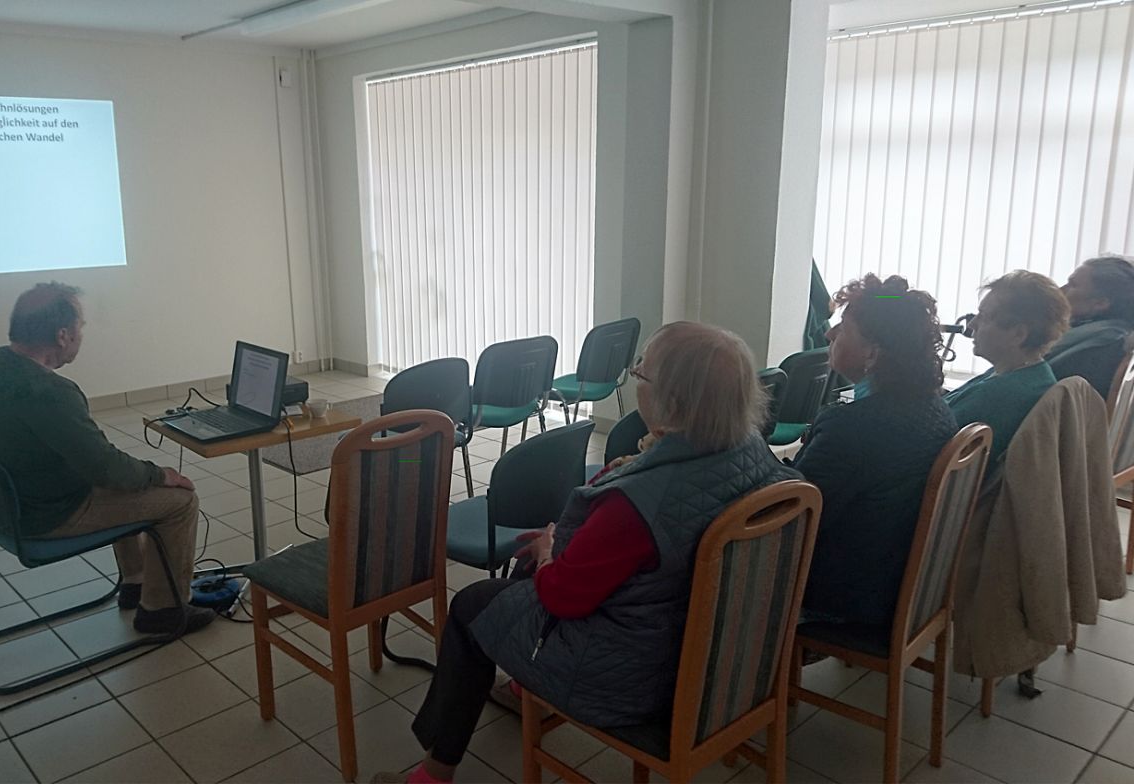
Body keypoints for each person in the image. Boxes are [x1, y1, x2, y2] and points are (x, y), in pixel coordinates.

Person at [371, 322, 800, 784]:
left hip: (631, 680)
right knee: (525, 570)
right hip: (712, 661)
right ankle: (521, 687)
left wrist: (550, 551)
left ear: (674, 401)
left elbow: (562, 597)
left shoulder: (636, 505)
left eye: (641, 372)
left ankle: (433, 774)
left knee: (472, 605)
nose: (636, 378)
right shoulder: (756, 459)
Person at [0, 282, 214, 634]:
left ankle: (136, 582)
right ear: (63, 335)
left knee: (129, 479)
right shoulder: (50, 392)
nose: (82, 333)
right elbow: (107, 469)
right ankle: (162, 611)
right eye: (80, 326)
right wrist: (162, 475)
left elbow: (102, 465)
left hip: (9, 508)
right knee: (179, 500)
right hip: (47, 515)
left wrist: (140, 474)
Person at [793, 274, 957, 628]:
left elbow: (794, 514)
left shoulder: (851, 427)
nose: (829, 335)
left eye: (843, 328)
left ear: (873, 352)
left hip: (850, 593)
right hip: (900, 578)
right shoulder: (936, 407)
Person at [944, 270, 1071, 470]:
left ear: (1018, 334)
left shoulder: (1002, 395)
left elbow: (926, 439)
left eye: (984, 317)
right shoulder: (1031, 375)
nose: (972, 324)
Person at [1045, 255, 1134, 397]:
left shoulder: (1104, 344)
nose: (1061, 290)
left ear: (1100, 303)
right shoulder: (1090, 333)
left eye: (1072, 285)